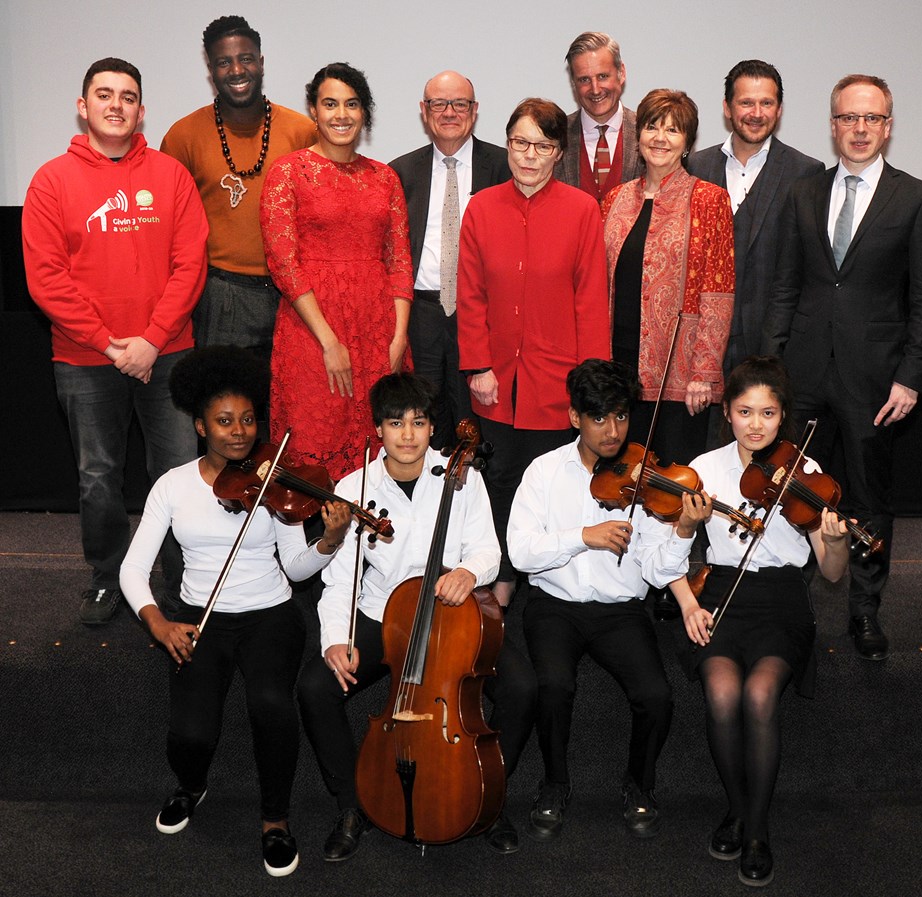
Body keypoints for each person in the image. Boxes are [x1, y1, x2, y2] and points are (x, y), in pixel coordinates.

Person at [118, 346, 352, 877]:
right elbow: (132, 571)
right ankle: (191, 786)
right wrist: (159, 624)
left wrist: (330, 539)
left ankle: (275, 821)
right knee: (191, 733)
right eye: (224, 421)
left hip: (270, 613)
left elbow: (294, 568)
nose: (239, 431)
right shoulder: (172, 487)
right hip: (201, 617)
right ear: (200, 426)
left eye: (247, 419)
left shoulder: (274, 483)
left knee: (272, 705)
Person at [298, 373, 537, 858]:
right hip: (382, 613)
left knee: (523, 686)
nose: (408, 434)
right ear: (378, 430)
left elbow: (488, 549)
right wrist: (332, 640)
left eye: (419, 422)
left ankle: (486, 796)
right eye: (395, 423)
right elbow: (340, 578)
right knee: (314, 688)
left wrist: (469, 572)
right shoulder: (353, 487)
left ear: (433, 430)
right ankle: (351, 804)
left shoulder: (460, 474)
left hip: (451, 616)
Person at [646, 356, 850, 887]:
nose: (756, 424)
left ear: (783, 418)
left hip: (781, 600)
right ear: (728, 414)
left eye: (768, 413)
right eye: (744, 412)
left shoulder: (804, 473)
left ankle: (754, 830)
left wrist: (835, 543)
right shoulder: (706, 469)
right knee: (721, 691)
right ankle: (739, 810)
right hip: (719, 594)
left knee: (759, 695)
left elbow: (830, 573)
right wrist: (689, 596)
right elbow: (663, 561)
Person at [762, 74, 922, 661]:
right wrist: (771, 368)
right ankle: (788, 604)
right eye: (847, 118)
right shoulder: (804, 192)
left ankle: (865, 611)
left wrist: (912, 376)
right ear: (832, 123)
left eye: (871, 119)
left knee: (868, 498)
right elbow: (786, 284)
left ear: (888, 126)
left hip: (876, 383)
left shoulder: (917, 197)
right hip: (803, 375)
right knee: (791, 492)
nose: (859, 129)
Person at [21, 57, 208, 625]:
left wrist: (151, 341)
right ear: (83, 107)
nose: (115, 105)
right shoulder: (51, 180)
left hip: (168, 354)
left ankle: (182, 581)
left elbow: (190, 262)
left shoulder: (171, 175)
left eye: (127, 96)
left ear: (141, 109)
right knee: (98, 475)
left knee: (178, 472)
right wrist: (111, 346)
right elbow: (46, 279)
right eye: (104, 95)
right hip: (84, 359)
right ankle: (109, 577)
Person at [507, 358, 674, 842]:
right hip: (554, 605)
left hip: (621, 610)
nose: (612, 430)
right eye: (599, 417)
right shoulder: (543, 472)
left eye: (621, 416)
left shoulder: (644, 476)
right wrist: (584, 536)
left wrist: (681, 531)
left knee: (657, 696)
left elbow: (657, 570)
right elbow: (520, 553)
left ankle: (639, 783)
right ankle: (555, 783)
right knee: (552, 686)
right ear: (574, 417)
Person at [457, 97, 611, 608]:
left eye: (541, 146)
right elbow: (470, 292)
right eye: (519, 142)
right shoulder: (481, 206)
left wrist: (588, 387)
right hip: (495, 375)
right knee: (497, 481)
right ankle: (499, 579)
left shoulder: (582, 210)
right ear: (507, 144)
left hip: (558, 376)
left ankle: (537, 583)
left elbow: (591, 299)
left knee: (548, 483)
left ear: (558, 154)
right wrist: (477, 364)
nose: (527, 155)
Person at [602, 89, 734, 621]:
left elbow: (719, 291)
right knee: (620, 481)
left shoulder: (708, 199)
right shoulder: (614, 200)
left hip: (680, 369)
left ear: (687, 140)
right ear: (639, 136)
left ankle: (672, 586)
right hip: (618, 366)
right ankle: (624, 579)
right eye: (652, 126)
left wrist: (705, 370)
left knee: (670, 487)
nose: (660, 137)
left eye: (673, 129)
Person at [260, 62, 412, 480]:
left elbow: (399, 261)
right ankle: (314, 545)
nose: (341, 114)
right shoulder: (287, 172)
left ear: (365, 112)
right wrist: (328, 341)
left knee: (383, 446)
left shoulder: (385, 178)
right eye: (330, 104)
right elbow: (283, 264)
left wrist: (398, 338)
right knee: (314, 440)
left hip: (378, 329)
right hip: (311, 330)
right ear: (313, 110)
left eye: (352, 104)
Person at [161, 16, 316, 359]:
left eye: (245, 58)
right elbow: (168, 230)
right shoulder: (183, 137)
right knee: (224, 407)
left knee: (287, 410)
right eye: (223, 62)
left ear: (261, 63)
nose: (236, 70)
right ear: (211, 71)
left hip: (293, 295)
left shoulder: (303, 132)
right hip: (221, 295)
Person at [389, 71, 512, 449]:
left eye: (459, 104)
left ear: (474, 112)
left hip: (481, 313)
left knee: (478, 416)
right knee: (423, 415)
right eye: (439, 104)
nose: (449, 112)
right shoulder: (399, 172)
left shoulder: (506, 166)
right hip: (422, 314)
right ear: (424, 112)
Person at [688, 61, 823, 379]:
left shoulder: (806, 173)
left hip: (770, 345)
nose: (757, 113)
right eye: (746, 102)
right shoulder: (695, 167)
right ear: (727, 107)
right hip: (701, 343)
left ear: (779, 109)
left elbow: (804, 271)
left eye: (767, 103)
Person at [556, 32, 644, 202]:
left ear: (621, 73)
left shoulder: (648, 134)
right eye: (584, 80)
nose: (595, 89)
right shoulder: (555, 137)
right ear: (573, 83)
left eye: (603, 76)